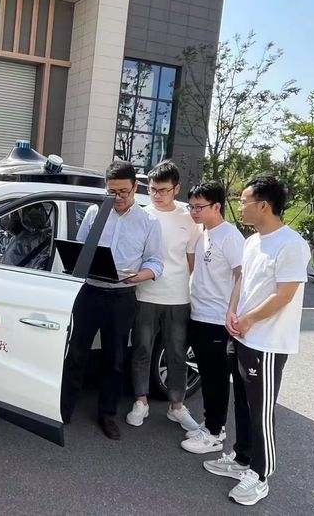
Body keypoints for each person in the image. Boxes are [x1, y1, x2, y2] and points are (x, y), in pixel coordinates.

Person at [203, 176, 310, 506]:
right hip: (242, 335)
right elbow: (242, 282)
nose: (240, 206)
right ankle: (242, 458)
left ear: (264, 205)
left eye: (244, 201)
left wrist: (248, 319)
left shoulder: (291, 244)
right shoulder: (252, 241)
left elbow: (285, 295)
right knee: (243, 402)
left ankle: (261, 474)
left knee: (261, 410)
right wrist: (232, 310)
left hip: (267, 342)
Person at [61, 160, 163, 440]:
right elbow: (80, 250)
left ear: (135, 188)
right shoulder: (95, 212)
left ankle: (107, 414)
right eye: (112, 192)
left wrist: (139, 276)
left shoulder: (148, 222)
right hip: (90, 293)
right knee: (76, 353)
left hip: (122, 296)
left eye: (123, 192)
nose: (117, 198)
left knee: (114, 359)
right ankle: (63, 408)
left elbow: (156, 262)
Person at [126, 161, 201, 432]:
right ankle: (141, 401)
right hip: (145, 293)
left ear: (176, 189)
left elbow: (192, 261)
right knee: (141, 350)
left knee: (177, 353)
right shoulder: (141, 215)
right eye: (153, 189)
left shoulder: (188, 218)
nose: (157, 195)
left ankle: (177, 406)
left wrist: (193, 292)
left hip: (178, 296)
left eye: (163, 190)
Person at [180, 181, 244, 454]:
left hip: (218, 319)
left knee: (216, 378)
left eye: (199, 207)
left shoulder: (230, 236)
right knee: (206, 374)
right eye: (191, 206)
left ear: (216, 206)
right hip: (198, 313)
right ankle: (210, 425)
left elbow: (242, 275)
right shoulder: (204, 233)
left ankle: (215, 433)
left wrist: (232, 310)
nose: (194, 211)